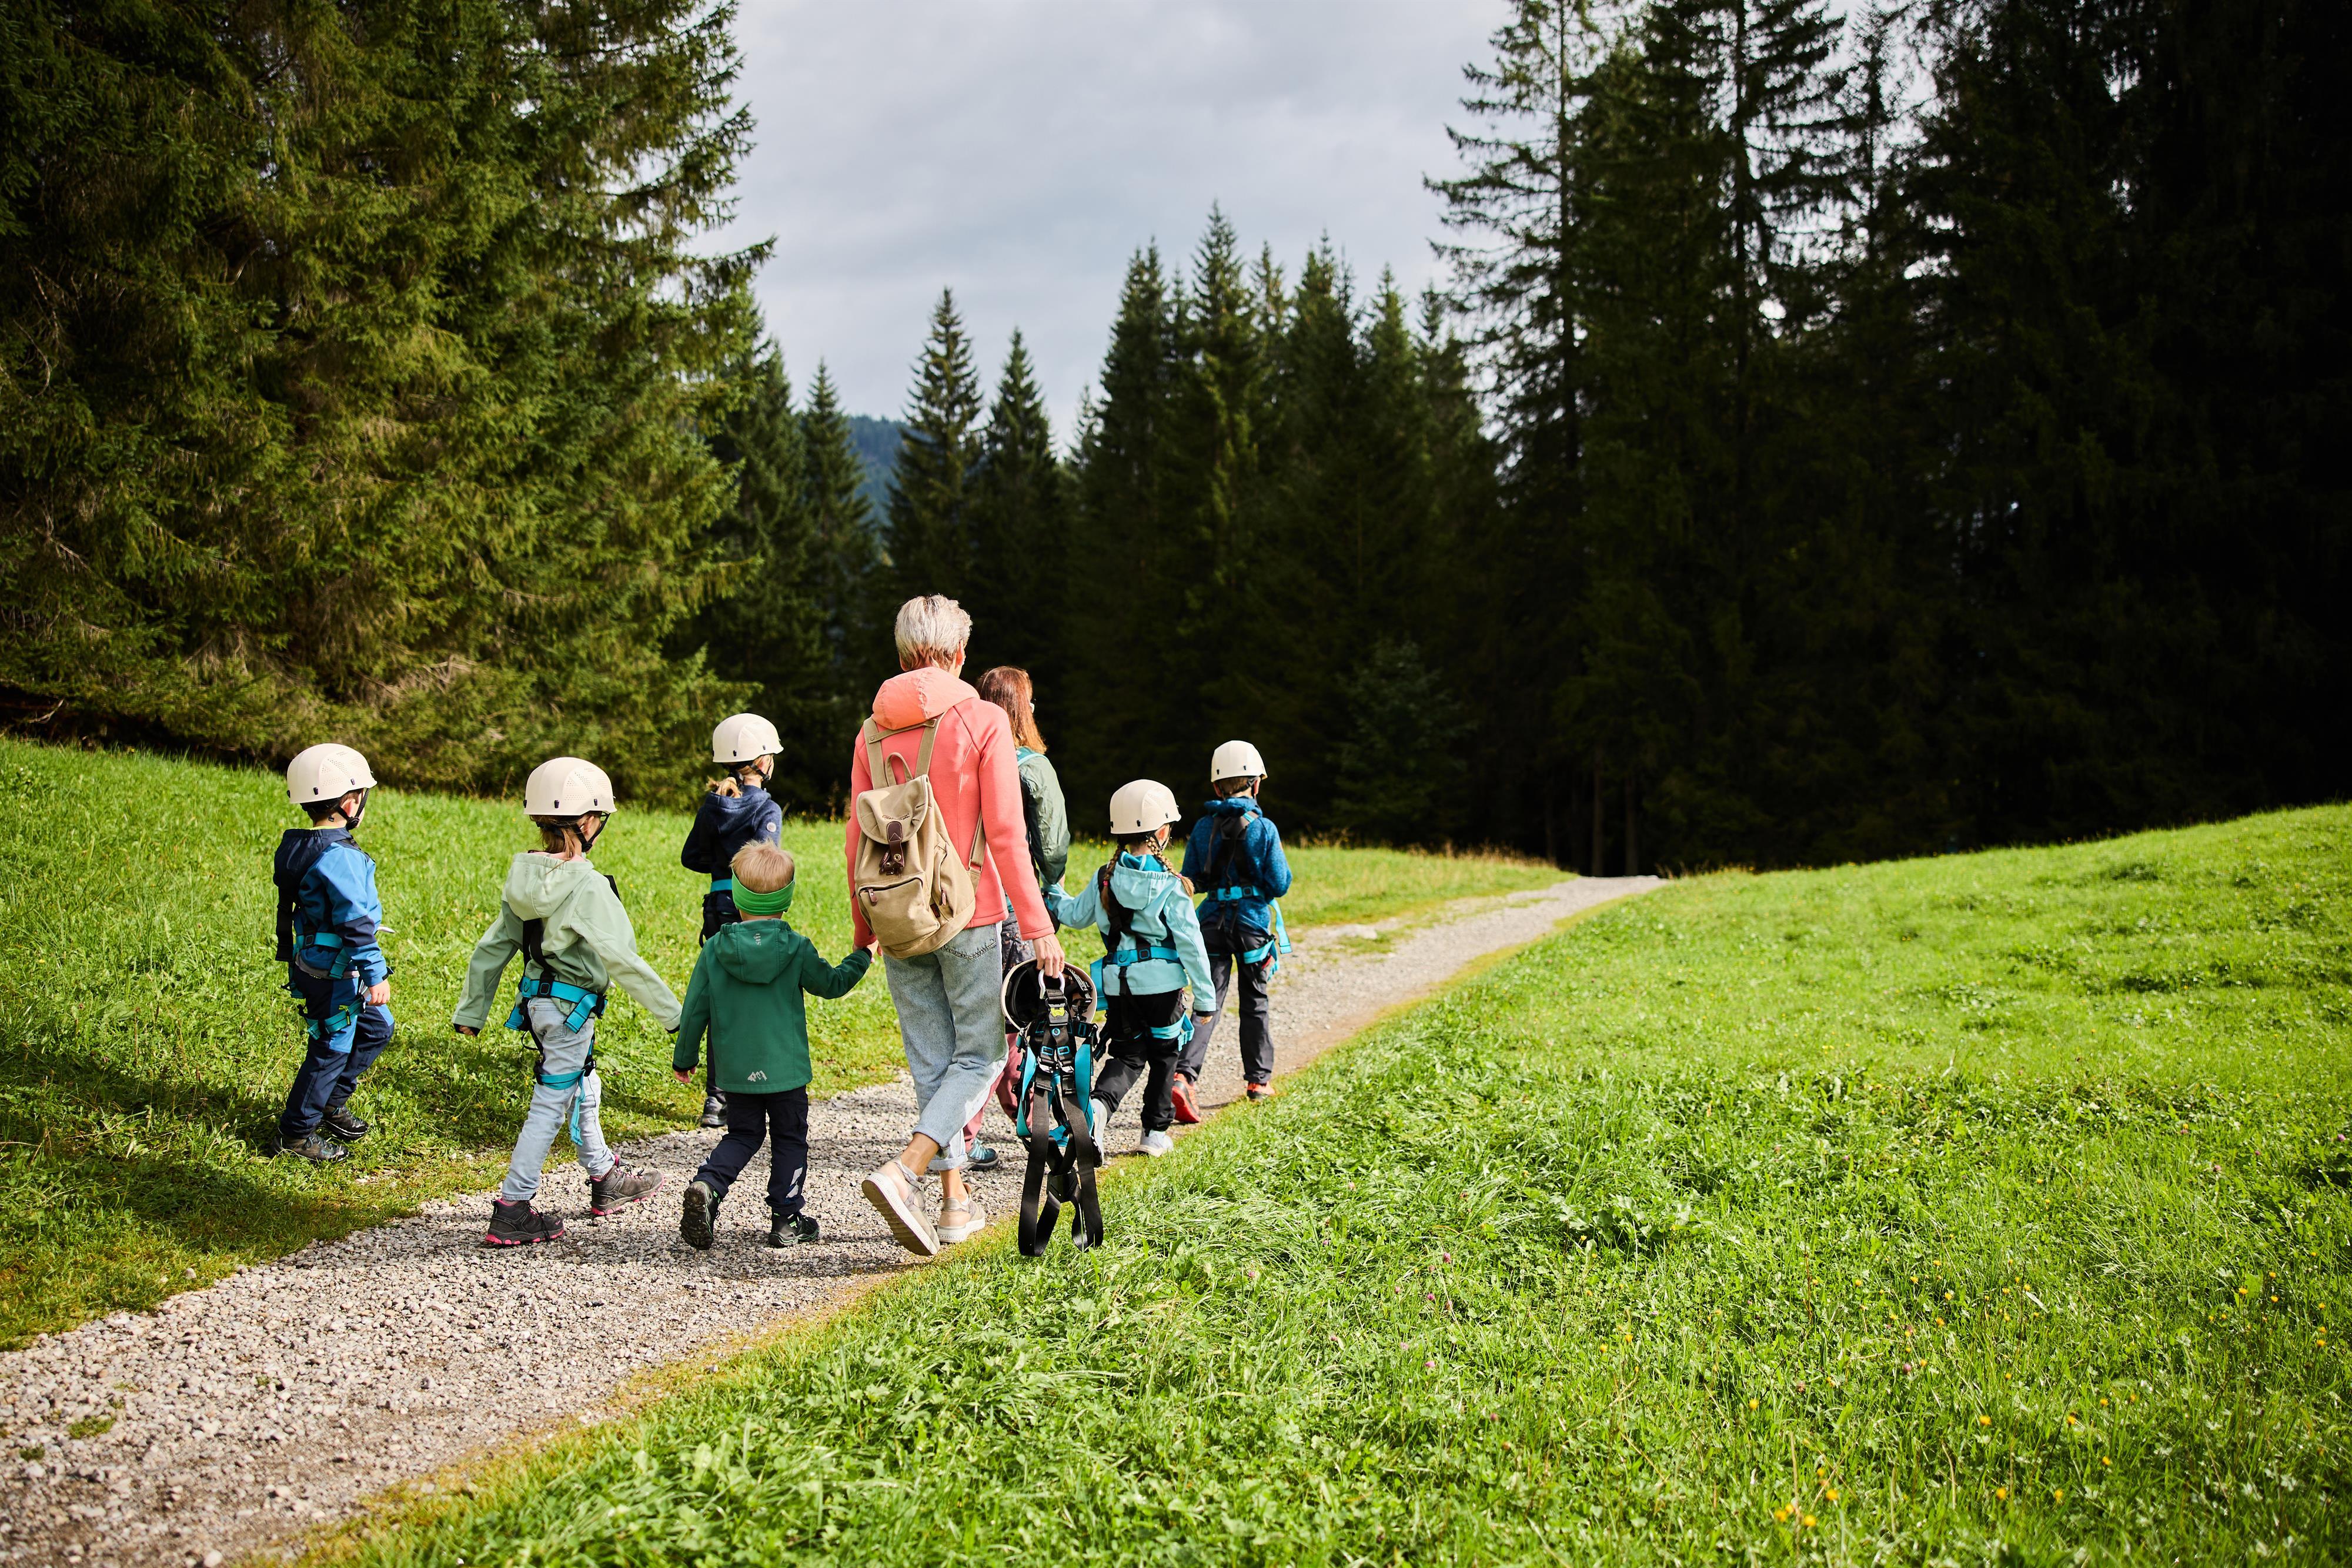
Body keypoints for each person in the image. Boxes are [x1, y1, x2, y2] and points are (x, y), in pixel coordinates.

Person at [846, 595, 1065, 1258]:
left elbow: (855, 833)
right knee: (982, 1056)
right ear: (959, 654)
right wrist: (1040, 929)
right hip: (971, 912)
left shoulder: (870, 733)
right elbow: (1006, 833)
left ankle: (953, 1205)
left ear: (902, 651)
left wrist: (863, 927)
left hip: (896, 915)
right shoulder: (983, 722)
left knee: (932, 1063)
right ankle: (906, 1170)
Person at [453, 756, 676, 1248]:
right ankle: (513, 1206)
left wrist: (472, 1010)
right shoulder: (588, 886)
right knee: (550, 1102)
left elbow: (495, 946)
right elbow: (623, 960)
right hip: (571, 1009)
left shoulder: (523, 877)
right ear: (589, 821)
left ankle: (605, 1178)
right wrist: (676, 1018)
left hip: (539, 1006)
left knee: (582, 1080)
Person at [671, 842, 872, 1250]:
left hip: (736, 1071)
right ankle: (787, 1218)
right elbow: (832, 983)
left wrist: (685, 1057)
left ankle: (708, 1186)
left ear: (738, 897)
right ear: (787, 899)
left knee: (742, 1135)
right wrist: (863, 956)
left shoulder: (714, 949)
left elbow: (694, 1009)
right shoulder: (796, 947)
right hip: (786, 1072)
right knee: (789, 1138)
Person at [1048, 780, 1215, 1157]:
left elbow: (1074, 915)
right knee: (1165, 1056)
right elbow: (1191, 945)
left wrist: (1051, 894)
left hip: (1119, 986)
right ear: (1161, 831)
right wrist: (1206, 999)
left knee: (1126, 1056)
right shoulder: (1171, 886)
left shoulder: (1104, 878)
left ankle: (1096, 1113)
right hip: (1163, 989)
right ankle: (1153, 1134)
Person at [953, 665, 1071, 1173]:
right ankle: (1025, 1125)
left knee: (982, 1021)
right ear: (1023, 709)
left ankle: (967, 1129)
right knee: (1020, 1020)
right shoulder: (1031, 766)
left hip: (966, 903)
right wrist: (1048, 892)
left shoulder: (962, 756)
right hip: (1015, 906)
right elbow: (1054, 845)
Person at [273, 744, 395, 1162]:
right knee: (331, 1047)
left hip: (318, 963)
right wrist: (376, 974)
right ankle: (296, 1133)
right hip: (337, 972)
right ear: (349, 801)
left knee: (378, 1028)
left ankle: (330, 1100)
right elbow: (356, 923)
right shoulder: (340, 856)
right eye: (361, 794)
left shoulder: (301, 844)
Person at [679, 712, 786, 1129]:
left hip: (716, 909)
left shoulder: (713, 805)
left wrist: (720, 866)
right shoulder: (767, 808)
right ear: (763, 762)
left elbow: (691, 856)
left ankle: (715, 1099)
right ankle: (759, 1087)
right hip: (752, 908)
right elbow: (768, 864)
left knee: (721, 998)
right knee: (758, 997)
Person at [1177, 740, 1292, 1111]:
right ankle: (1258, 1081)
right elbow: (1279, 883)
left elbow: (1194, 879)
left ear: (1216, 787)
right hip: (1251, 925)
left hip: (1211, 923)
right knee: (1254, 1001)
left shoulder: (1202, 829)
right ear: (1256, 784)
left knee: (1207, 1001)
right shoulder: (1265, 829)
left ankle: (1183, 1077)